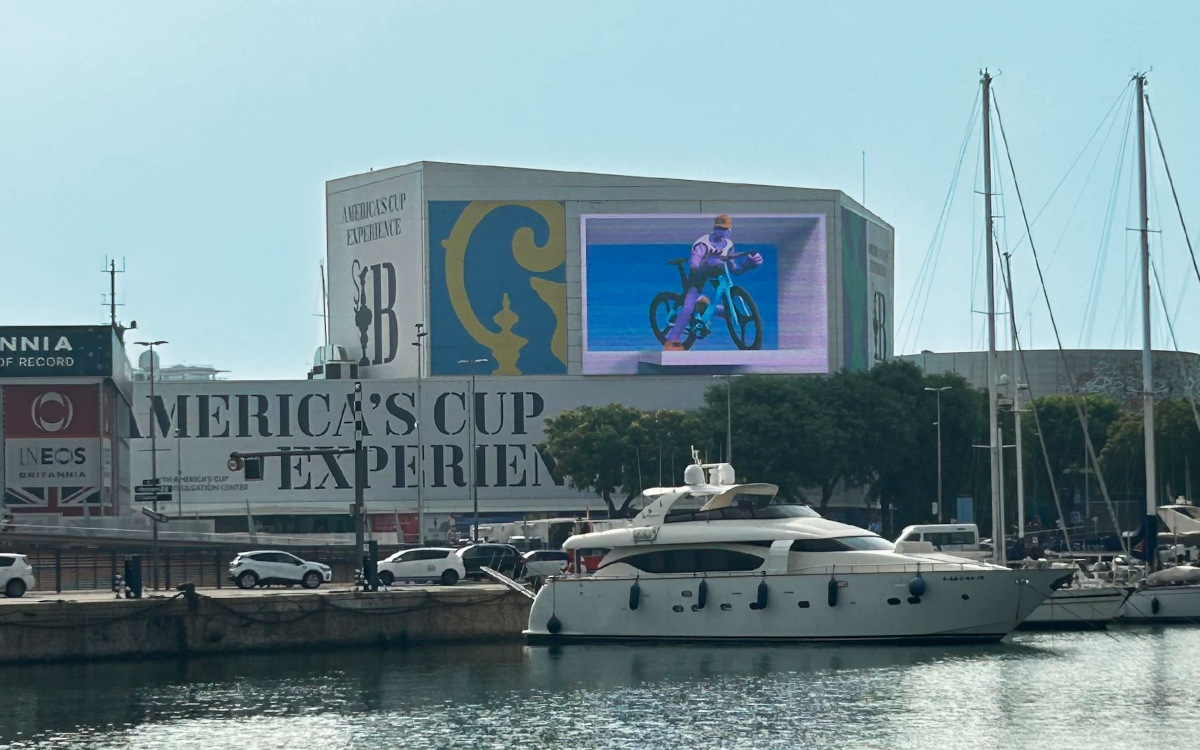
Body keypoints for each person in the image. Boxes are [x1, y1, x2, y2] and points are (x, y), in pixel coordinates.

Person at [663, 214, 762, 350]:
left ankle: (705, 307)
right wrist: (709, 262)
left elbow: (735, 269)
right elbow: (694, 266)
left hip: (717, 275)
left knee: (727, 309)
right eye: (719, 229)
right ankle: (672, 339)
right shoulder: (703, 244)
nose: (722, 232)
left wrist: (750, 263)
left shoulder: (728, 245)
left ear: (729, 231)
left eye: (725, 229)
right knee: (688, 307)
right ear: (714, 228)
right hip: (698, 276)